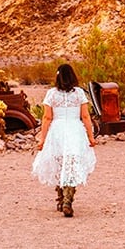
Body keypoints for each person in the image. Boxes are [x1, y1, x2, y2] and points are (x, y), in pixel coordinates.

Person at [31, 64, 97, 217]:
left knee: (60, 162)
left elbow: (47, 117)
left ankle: (61, 198)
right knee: (72, 164)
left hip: (57, 131)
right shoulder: (79, 93)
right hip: (75, 130)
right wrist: (91, 137)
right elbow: (85, 116)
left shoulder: (51, 94)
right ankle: (68, 199)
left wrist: (42, 139)